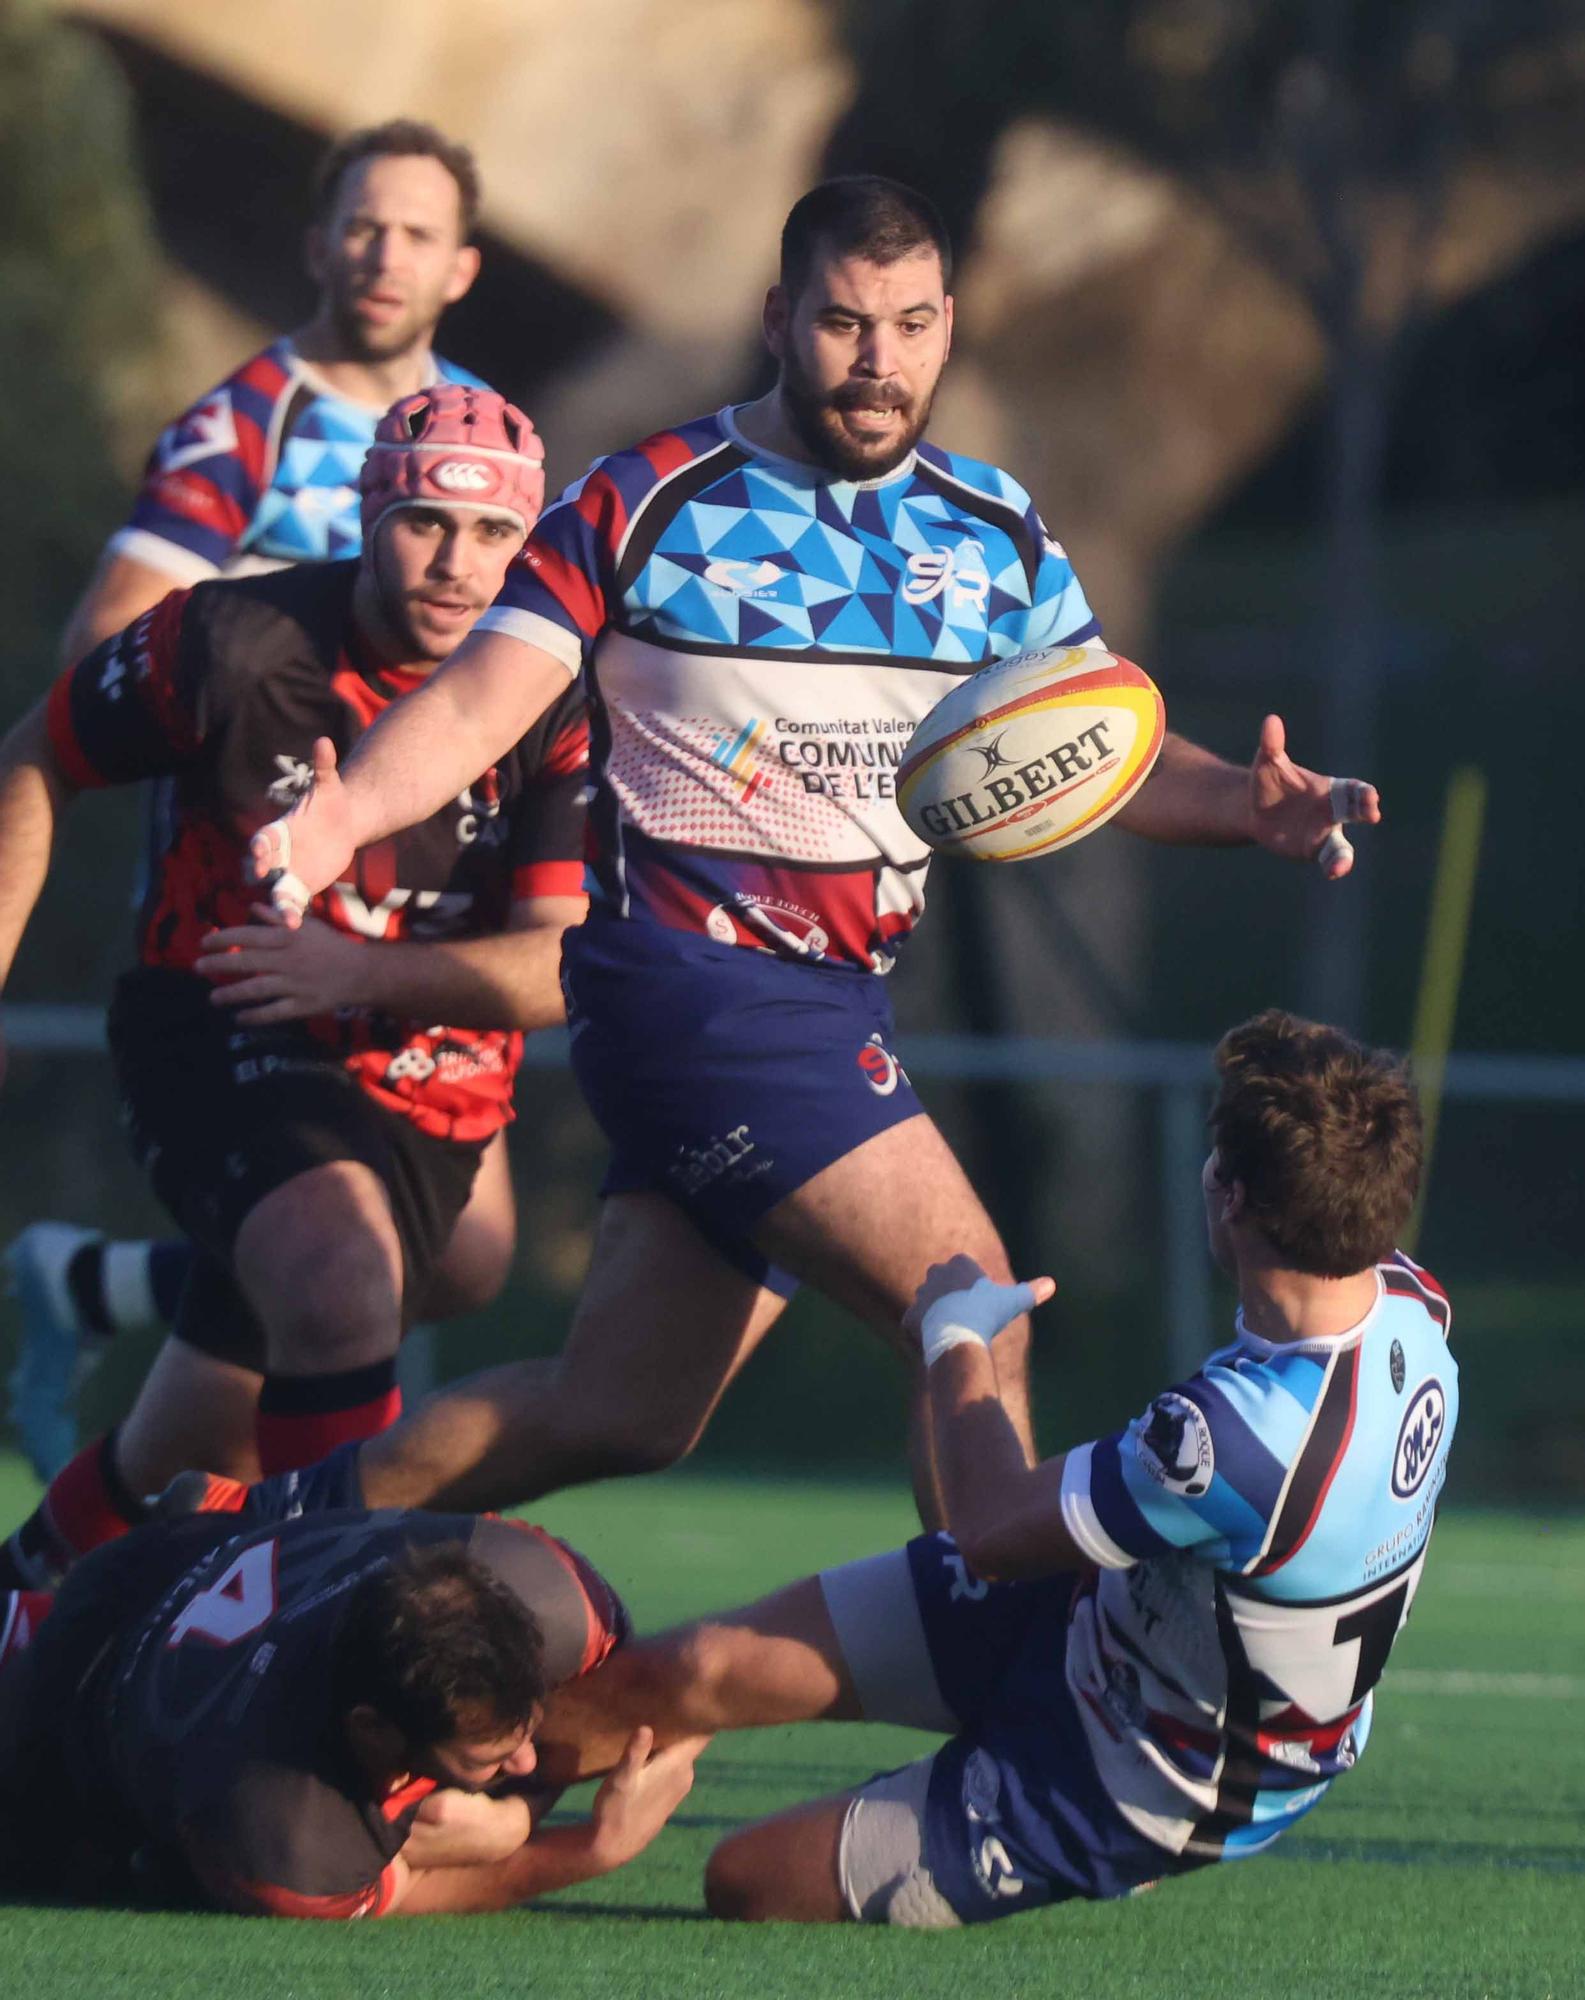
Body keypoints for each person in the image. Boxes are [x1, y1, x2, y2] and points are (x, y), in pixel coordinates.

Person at [241, 174, 1382, 1528]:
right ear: (781, 317)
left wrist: (1244, 807)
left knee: (618, 1411)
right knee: (971, 1309)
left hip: (832, 998)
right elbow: (478, 703)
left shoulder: (993, 532)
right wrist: (340, 812)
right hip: (696, 990)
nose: (878, 362)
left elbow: (1097, 749)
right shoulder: (644, 500)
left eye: (909, 325)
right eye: (844, 323)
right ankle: (986, 1688)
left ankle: (262, 1547)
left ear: (949, 324)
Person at [530, 1010, 1458, 1928]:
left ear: (1233, 1198)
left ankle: (1073, 1843)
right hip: (1091, 1610)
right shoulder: (1411, 1301)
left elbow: (983, 1534)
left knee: (744, 1878)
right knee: (691, 1670)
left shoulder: (1235, 1444)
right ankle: (427, 1812)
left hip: (1138, 1776)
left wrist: (956, 1336)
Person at [0, 386, 586, 1594]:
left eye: (494, 538)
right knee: (337, 1279)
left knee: (219, 1414)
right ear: (370, 509)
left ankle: (31, 1588)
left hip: (420, 1069)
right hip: (222, 1016)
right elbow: (37, 753)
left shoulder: (561, 689)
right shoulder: (230, 641)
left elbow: (563, 965)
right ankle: (319, 1641)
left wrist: (360, 968)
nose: (457, 564)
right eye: (427, 520)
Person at [7, 116, 496, 1479]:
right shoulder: (251, 422)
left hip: (419, 898)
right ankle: (238, 1561)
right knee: (340, 1272)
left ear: (462, 267)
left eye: (414, 232)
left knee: (462, 1257)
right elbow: (102, 649)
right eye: (361, 224)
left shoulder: (469, 442)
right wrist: (281, 647)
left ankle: (97, 1298)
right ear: (316, 244)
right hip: (253, 892)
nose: (383, 253)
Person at [0, 1495, 703, 1915]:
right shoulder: (282, 1830)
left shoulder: (548, 1588)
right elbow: (410, 1890)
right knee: (83, 1875)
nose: (528, 1758)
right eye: (490, 1754)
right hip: (68, 1722)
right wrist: (586, 1846)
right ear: (373, 1730)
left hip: (185, 1556)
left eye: (527, 1726)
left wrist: (505, 1810)